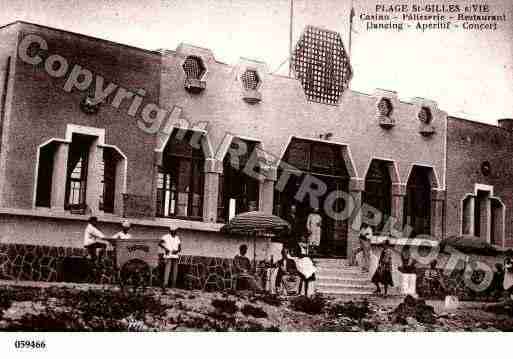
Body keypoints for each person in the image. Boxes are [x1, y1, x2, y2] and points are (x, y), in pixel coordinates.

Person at [159, 225, 181, 291]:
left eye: (175, 231)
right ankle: (165, 284)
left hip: (175, 255)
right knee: (167, 270)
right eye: (173, 231)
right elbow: (160, 243)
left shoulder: (177, 238)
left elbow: (180, 248)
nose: (174, 232)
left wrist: (177, 251)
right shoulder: (165, 236)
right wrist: (165, 249)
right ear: (170, 231)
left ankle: (173, 285)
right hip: (168, 255)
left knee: (175, 270)